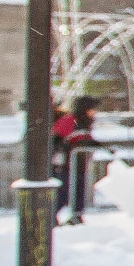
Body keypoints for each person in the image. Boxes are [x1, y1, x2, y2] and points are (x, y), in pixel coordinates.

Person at [50, 95, 99, 224]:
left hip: (79, 165)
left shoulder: (85, 122)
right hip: (65, 165)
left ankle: (77, 215)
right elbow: (57, 139)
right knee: (63, 193)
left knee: (79, 191)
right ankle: (51, 217)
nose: (94, 112)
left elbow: (85, 139)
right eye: (92, 109)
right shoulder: (70, 120)